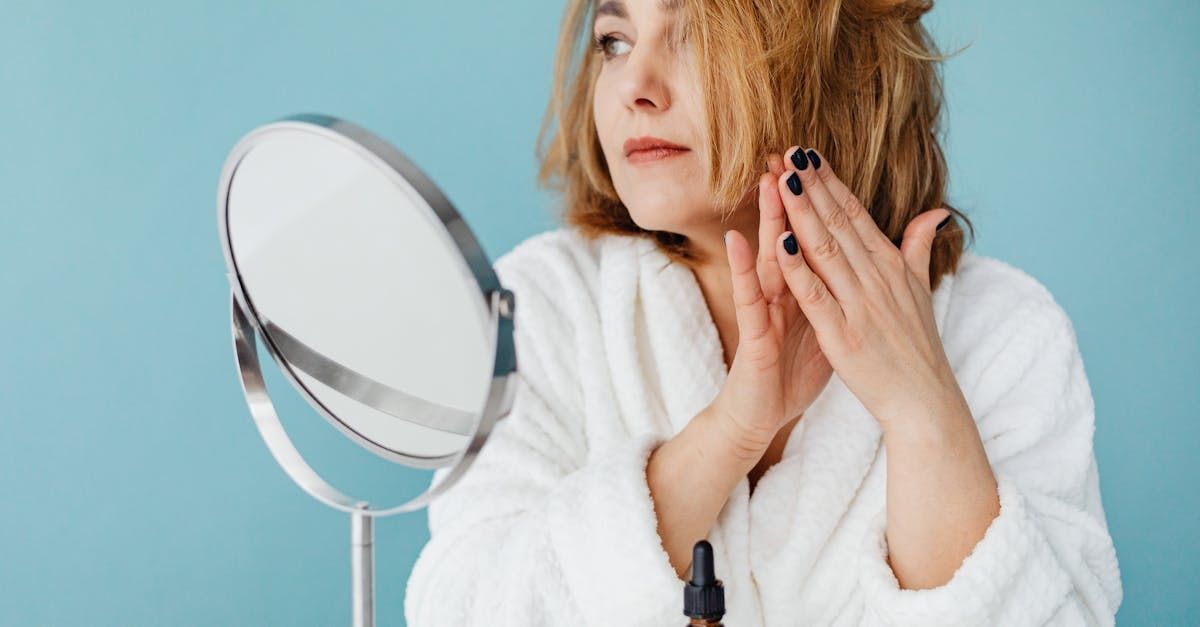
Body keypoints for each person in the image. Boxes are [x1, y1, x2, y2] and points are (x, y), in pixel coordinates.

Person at [405, 0, 1124, 624]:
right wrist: (728, 432)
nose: (635, 87)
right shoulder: (541, 308)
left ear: (833, 69)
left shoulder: (1002, 334)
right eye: (613, 42)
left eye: (698, 40)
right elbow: (463, 607)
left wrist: (922, 409)